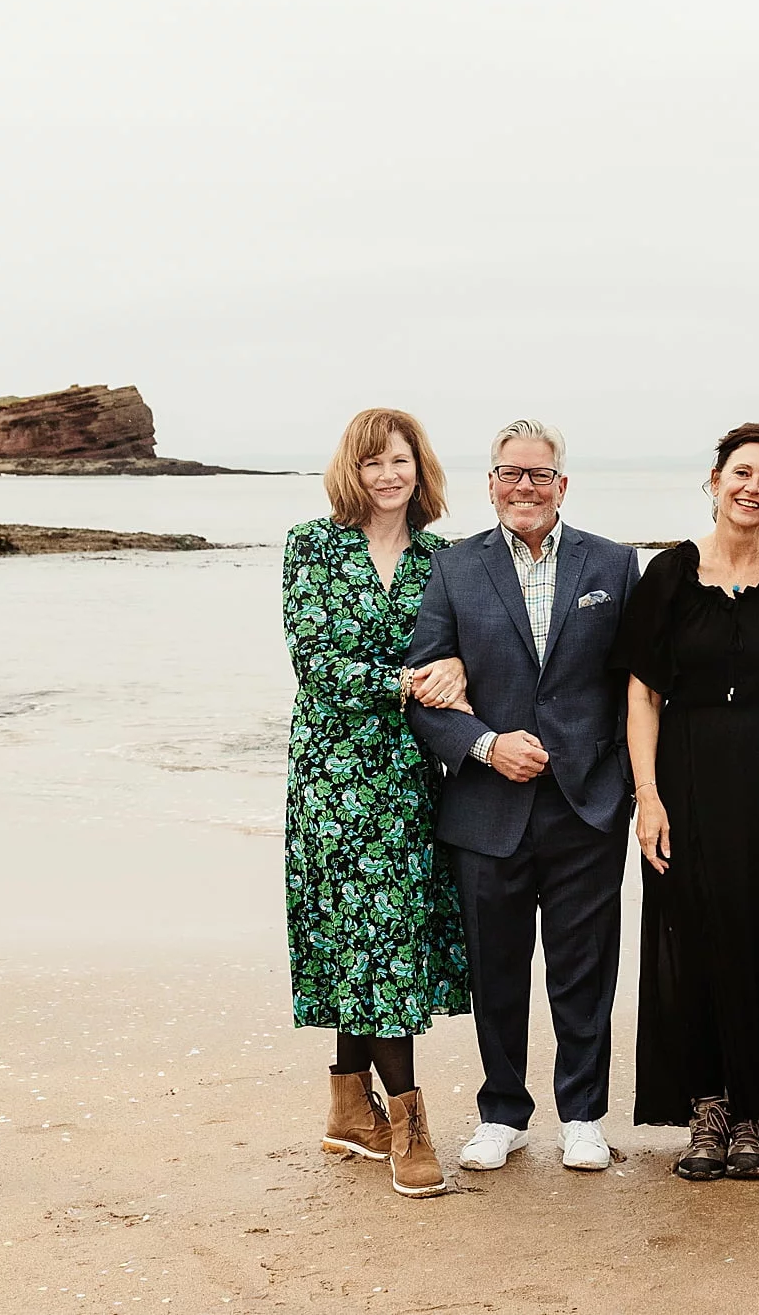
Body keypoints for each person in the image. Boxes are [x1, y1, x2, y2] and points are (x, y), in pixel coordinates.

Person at [404, 419, 640, 1176]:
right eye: (511, 474)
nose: (525, 488)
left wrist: (632, 789)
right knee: (496, 970)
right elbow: (424, 690)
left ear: (562, 485)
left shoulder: (613, 563)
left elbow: (637, 686)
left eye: (540, 475)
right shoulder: (454, 568)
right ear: (492, 483)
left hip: (586, 806)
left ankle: (582, 1115)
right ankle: (501, 1112)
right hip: (486, 807)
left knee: (583, 971)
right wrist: (485, 743)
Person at [620, 424, 759, 1182]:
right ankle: (706, 1108)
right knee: (692, 934)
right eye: (742, 473)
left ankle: (757, 1112)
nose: (753, 488)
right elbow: (642, 694)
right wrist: (648, 795)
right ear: (714, 479)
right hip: (688, 779)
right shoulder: (669, 575)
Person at [281, 407, 470, 1199]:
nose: (388, 475)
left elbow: (474, 644)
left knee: (379, 933)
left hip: (411, 773)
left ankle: (346, 1106)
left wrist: (459, 665)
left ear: (419, 468)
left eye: (399, 461)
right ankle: (408, 1125)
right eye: (372, 463)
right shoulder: (311, 545)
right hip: (331, 774)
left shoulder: (446, 559)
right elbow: (314, 659)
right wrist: (399, 680)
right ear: (349, 472)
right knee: (364, 934)